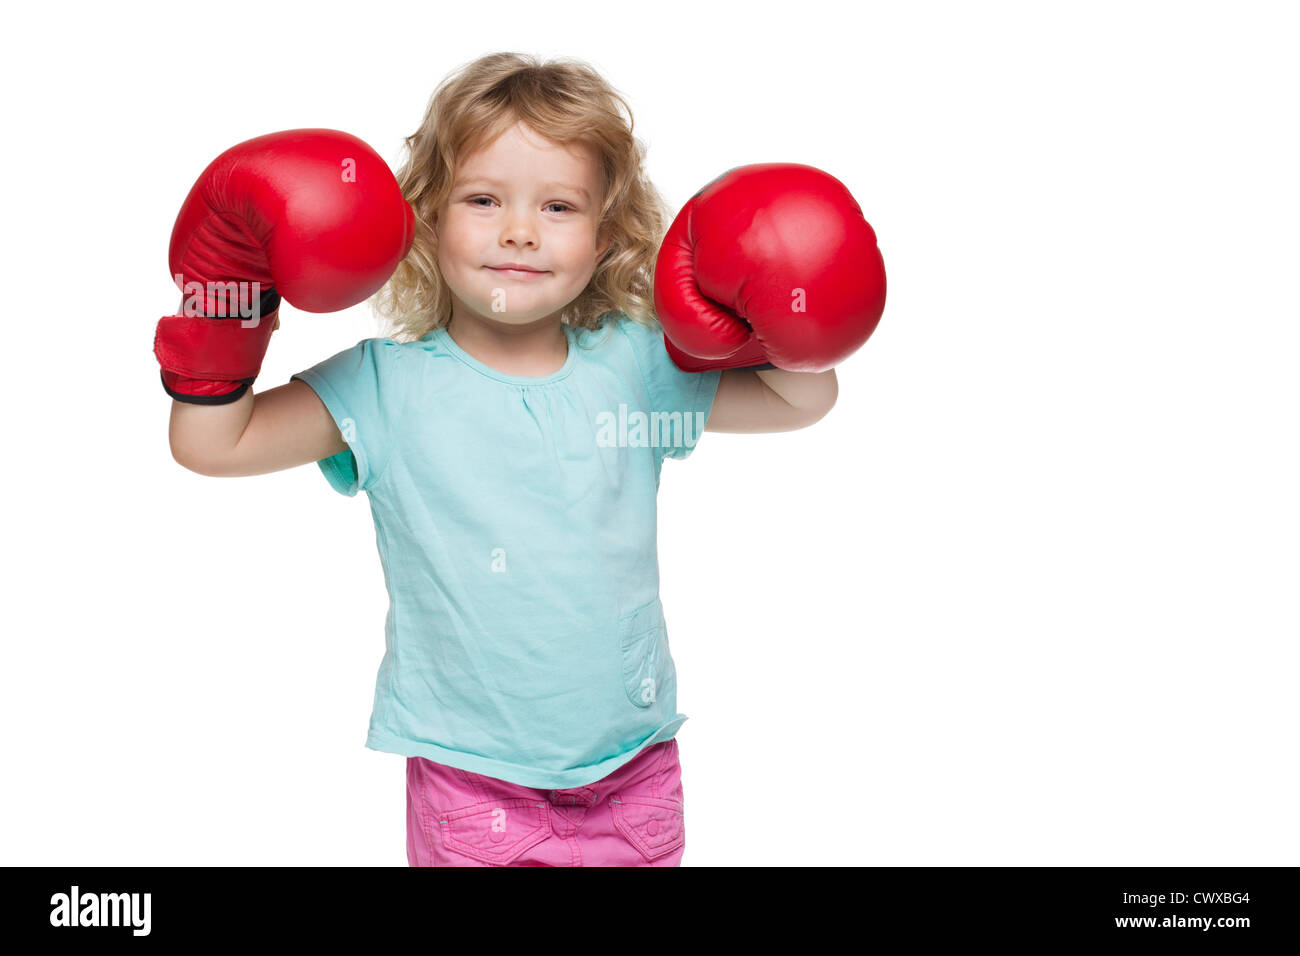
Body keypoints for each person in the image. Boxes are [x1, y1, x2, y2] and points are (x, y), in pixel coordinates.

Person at [162, 52, 871, 866]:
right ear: (425, 217)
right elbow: (212, 443)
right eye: (484, 199)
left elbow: (799, 401)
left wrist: (789, 292)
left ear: (608, 235)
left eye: (560, 205)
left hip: (633, 775)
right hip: (473, 788)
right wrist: (226, 293)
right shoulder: (384, 387)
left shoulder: (635, 368)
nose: (520, 231)